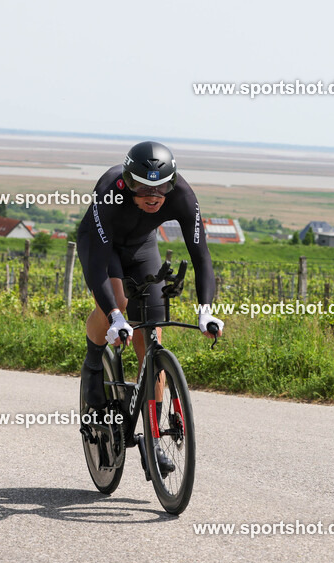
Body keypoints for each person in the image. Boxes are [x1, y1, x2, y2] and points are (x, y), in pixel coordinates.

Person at [75, 141, 224, 475]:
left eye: (161, 189)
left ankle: (152, 438)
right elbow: (97, 267)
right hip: (104, 248)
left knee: (152, 333)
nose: (153, 196)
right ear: (127, 182)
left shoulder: (182, 195)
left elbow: (201, 256)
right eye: (143, 188)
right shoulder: (110, 192)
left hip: (142, 247)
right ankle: (93, 360)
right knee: (119, 303)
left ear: (172, 183)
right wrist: (115, 316)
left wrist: (205, 310)